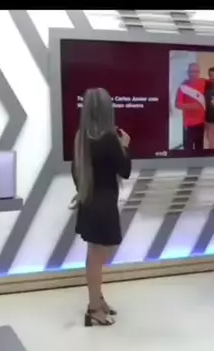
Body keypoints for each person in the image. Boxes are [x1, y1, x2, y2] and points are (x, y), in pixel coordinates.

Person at [72, 88, 132, 326]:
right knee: (98, 259)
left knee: (94, 256)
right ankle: (94, 309)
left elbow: (76, 173)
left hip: (89, 203)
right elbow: (125, 170)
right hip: (104, 206)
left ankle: (97, 300)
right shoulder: (109, 139)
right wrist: (125, 145)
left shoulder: (81, 137)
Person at [175, 62, 207, 151]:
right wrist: (193, 106)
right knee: (188, 150)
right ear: (188, 72)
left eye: (196, 71)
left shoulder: (204, 83)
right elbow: (177, 104)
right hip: (188, 125)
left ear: (199, 72)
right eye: (191, 71)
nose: (193, 74)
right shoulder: (183, 86)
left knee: (199, 149)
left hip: (202, 123)